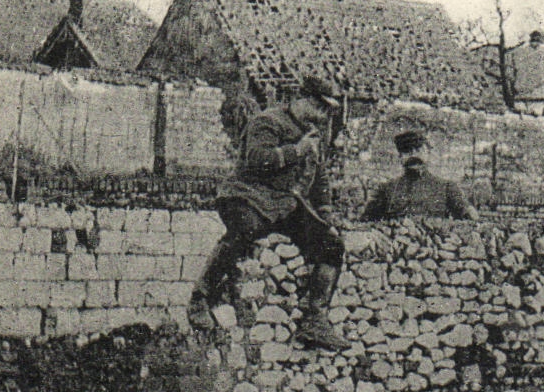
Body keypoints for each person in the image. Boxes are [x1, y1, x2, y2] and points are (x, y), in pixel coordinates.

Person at [186, 74, 347, 350]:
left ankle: (315, 320)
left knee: (332, 245)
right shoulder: (267, 121)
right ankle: (200, 299)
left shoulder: (314, 135)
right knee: (246, 230)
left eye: (327, 110)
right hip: (246, 196)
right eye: (320, 107)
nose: (323, 115)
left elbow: (319, 178)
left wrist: (325, 213)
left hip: (284, 204)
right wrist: (297, 150)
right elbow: (258, 160)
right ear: (303, 99)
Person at [361, 130, 475, 221]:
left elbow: (468, 217)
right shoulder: (387, 190)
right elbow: (367, 221)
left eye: (418, 150)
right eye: (407, 151)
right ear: (400, 157)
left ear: (428, 154)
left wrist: (469, 212)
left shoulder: (446, 188)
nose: (413, 155)